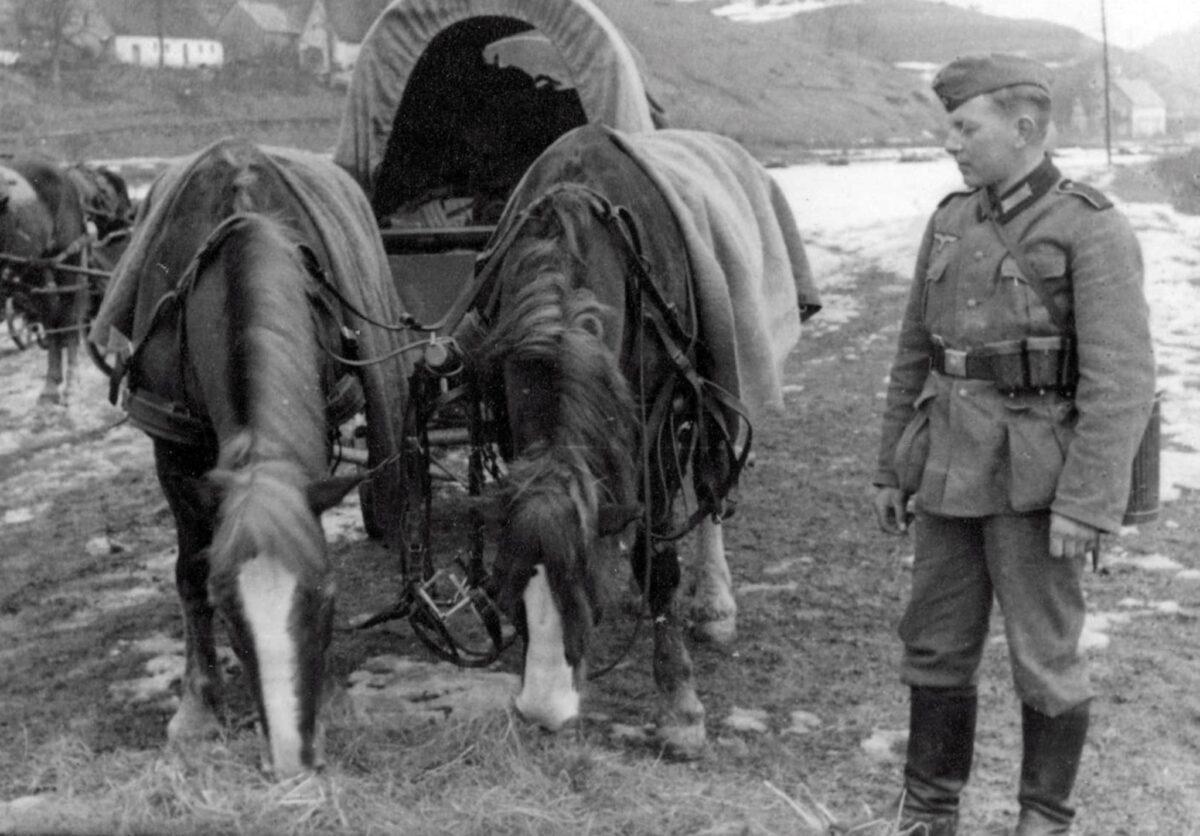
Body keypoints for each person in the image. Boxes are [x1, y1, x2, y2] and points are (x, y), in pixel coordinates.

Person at [872, 54, 1155, 835]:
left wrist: (1089, 505)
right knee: (932, 646)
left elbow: (1121, 383)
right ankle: (928, 814)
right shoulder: (952, 218)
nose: (951, 142)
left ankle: (1043, 822)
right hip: (946, 468)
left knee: (1046, 659)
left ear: (1023, 127)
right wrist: (891, 466)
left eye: (966, 126)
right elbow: (913, 354)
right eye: (950, 127)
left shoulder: (1087, 226)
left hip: (1037, 482)